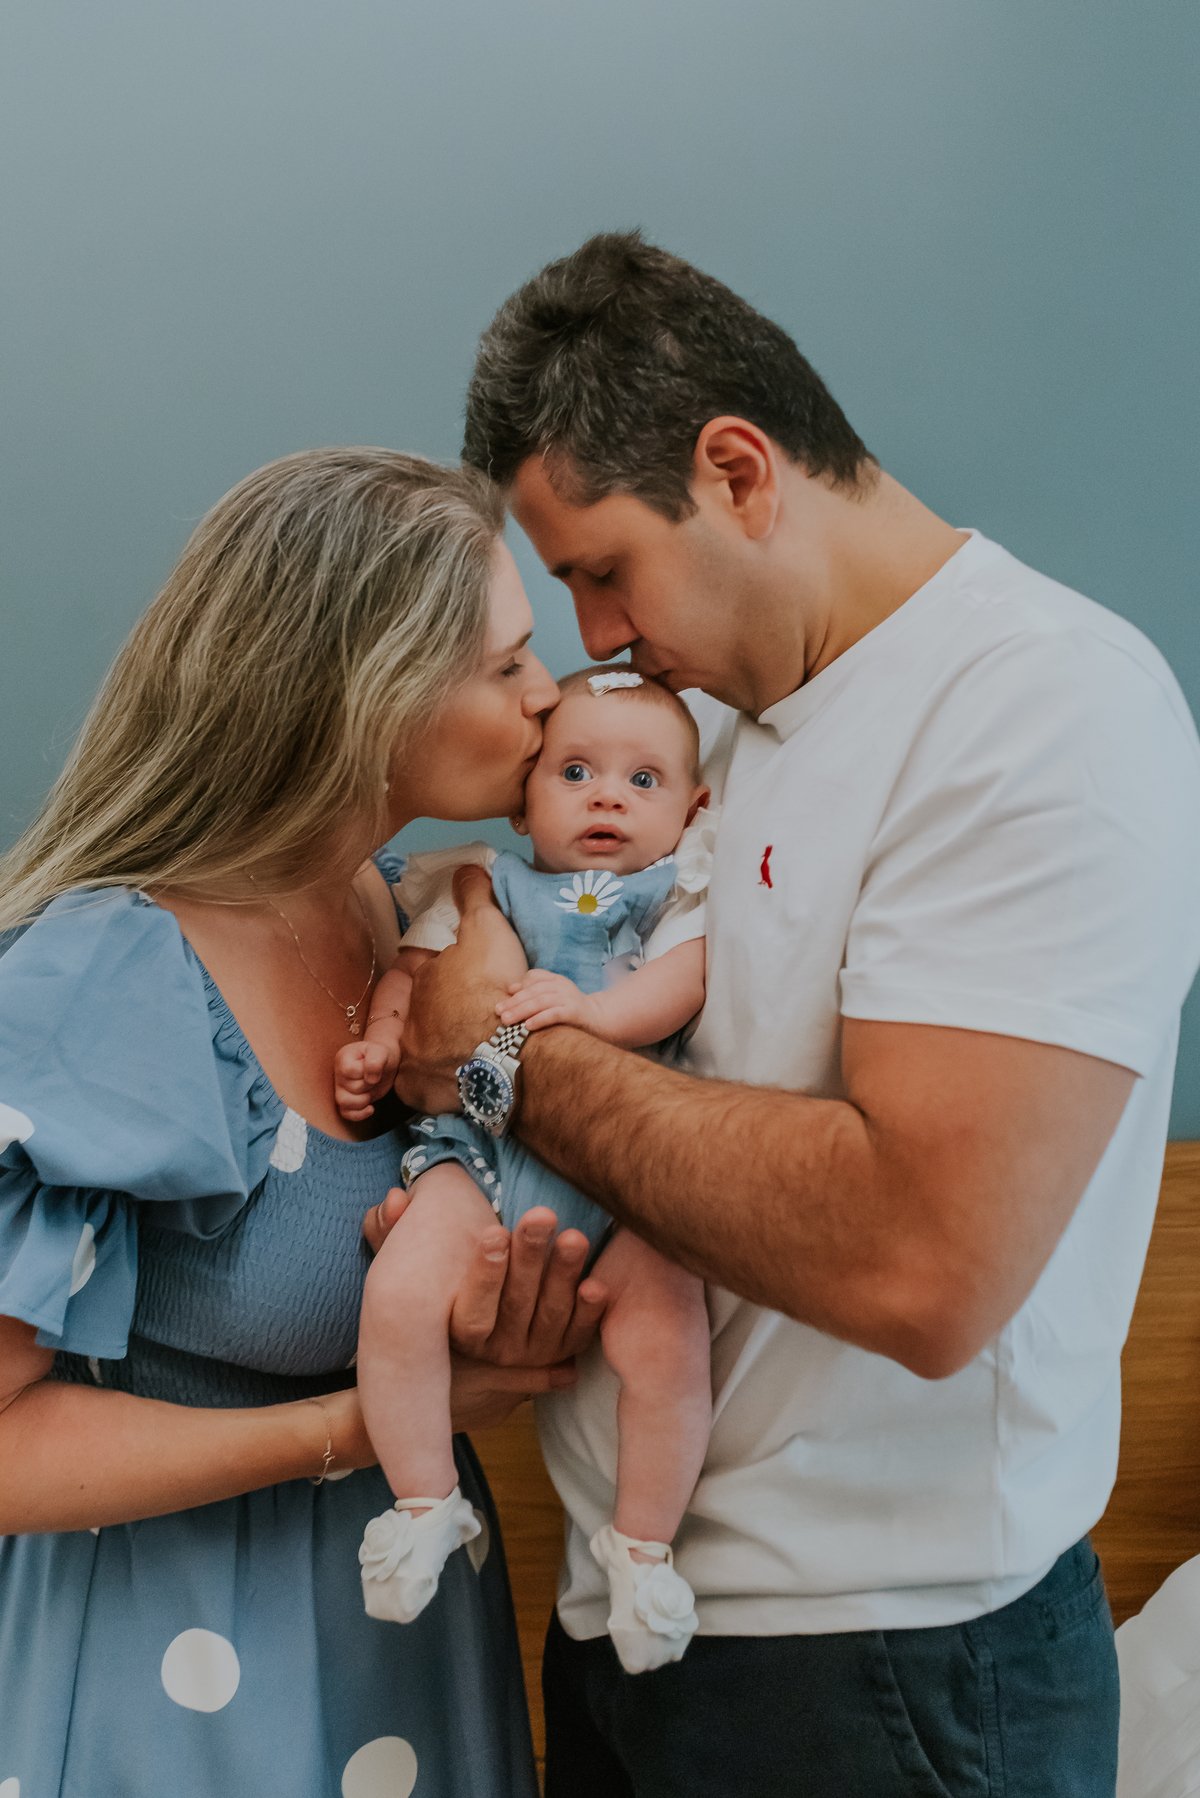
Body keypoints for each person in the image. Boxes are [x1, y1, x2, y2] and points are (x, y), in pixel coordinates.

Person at [392, 234, 1200, 1796]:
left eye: (605, 568)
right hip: (641, 1617)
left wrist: (504, 1058)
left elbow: (926, 1254)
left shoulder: (1040, 710)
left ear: (740, 469)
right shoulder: (720, 738)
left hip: (886, 1664)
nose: (596, 641)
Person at [0, 447, 604, 1798]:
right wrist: (371, 1426)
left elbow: (502, 1114)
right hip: (178, 1690)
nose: (547, 694)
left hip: (401, 1655)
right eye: (507, 664)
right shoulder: (116, 977)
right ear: (372, 695)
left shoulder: (411, 921)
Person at [335, 668, 713, 1672]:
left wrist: (593, 1016)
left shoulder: (675, 891)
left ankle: (642, 1548)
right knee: (402, 1287)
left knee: (671, 1337)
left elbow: (683, 984)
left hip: (627, 1187)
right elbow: (411, 981)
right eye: (577, 771)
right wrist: (378, 1044)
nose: (607, 798)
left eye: (644, 780)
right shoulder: (482, 879)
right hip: (485, 1157)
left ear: (694, 805)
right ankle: (424, 1499)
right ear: (525, 795)